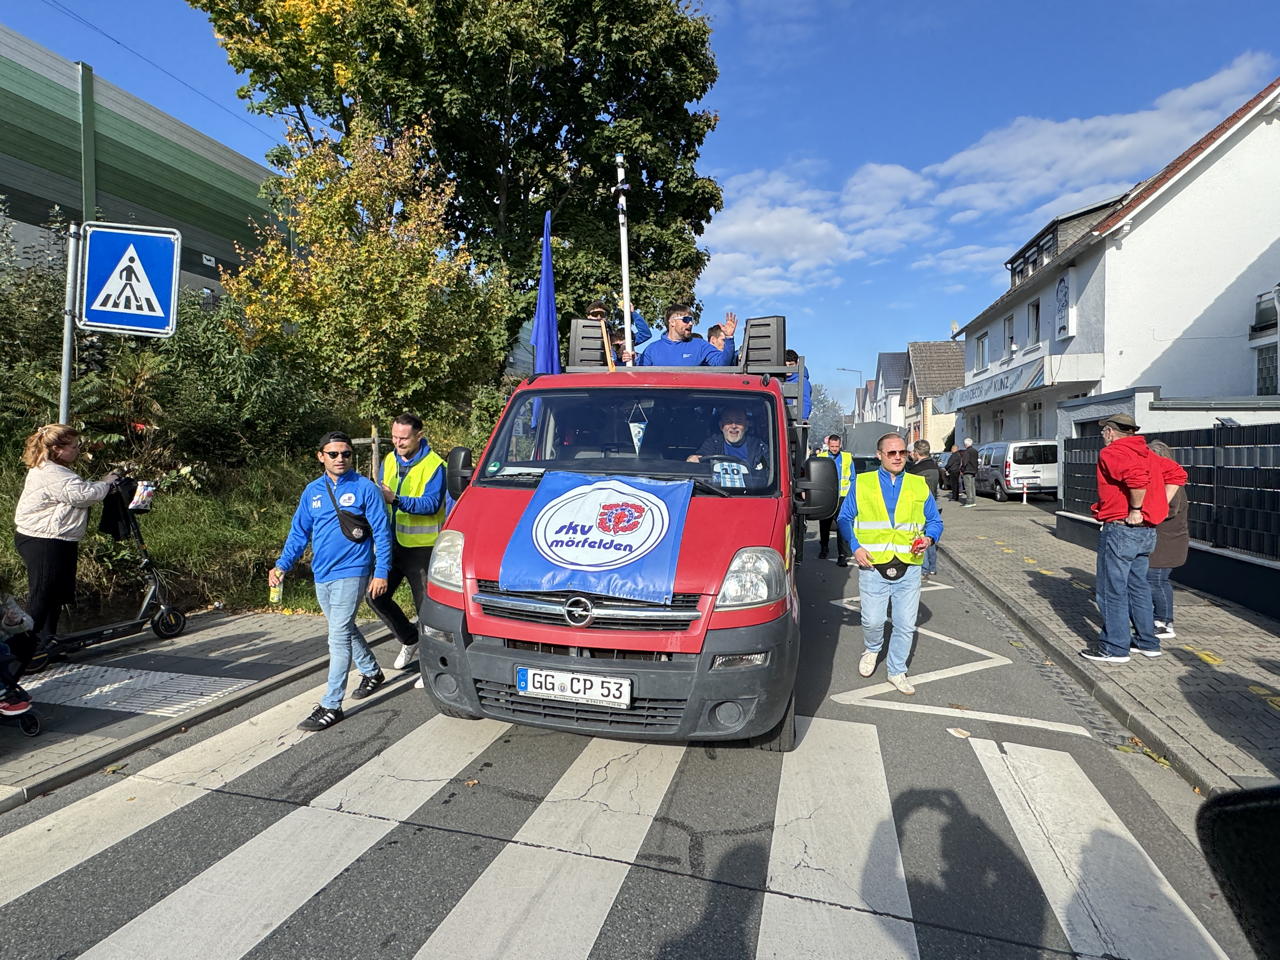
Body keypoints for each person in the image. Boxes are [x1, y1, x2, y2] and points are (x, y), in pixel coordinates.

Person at [271, 431, 393, 730]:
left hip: (353, 570)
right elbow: (299, 533)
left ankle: (331, 704)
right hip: (322, 572)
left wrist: (381, 571)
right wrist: (281, 565)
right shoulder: (312, 491)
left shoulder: (366, 489)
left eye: (346, 454)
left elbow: (382, 532)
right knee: (343, 627)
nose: (341, 459)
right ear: (321, 456)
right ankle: (373, 672)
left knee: (337, 636)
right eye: (334, 454)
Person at [837, 432, 943, 695]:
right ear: (879, 455)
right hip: (873, 565)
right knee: (873, 621)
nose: (897, 457)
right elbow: (844, 518)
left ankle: (897, 670)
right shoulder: (863, 483)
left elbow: (935, 522)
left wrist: (928, 539)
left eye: (902, 453)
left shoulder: (918, 485)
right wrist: (855, 546)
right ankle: (872, 649)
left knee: (905, 624)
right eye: (891, 453)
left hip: (909, 565)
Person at [13, 424, 119, 660]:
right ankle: (22, 653)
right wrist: (107, 483)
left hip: (58, 538)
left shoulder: (57, 470)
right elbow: (82, 495)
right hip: (43, 539)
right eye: (73, 446)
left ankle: (47, 642)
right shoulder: (51, 472)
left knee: (56, 594)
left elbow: (77, 489)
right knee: (42, 595)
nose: (78, 450)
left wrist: (101, 483)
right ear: (57, 449)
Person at [1082, 414, 1169, 664]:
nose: (1103, 437)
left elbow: (1136, 480)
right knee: (1138, 586)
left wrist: (1136, 509)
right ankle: (1147, 642)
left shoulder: (1113, 453)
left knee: (1112, 589)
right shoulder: (1147, 454)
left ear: (1110, 432)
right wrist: (1157, 507)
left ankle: (1115, 647)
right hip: (1147, 531)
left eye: (1103, 432)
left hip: (1122, 528)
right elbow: (1176, 475)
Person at [366, 414, 446, 674]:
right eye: (394, 436)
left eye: (403, 438)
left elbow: (432, 504)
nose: (397, 442)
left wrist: (396, 499)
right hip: (392, 544)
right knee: (375, 596)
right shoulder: (389, 459)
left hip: (422, 549)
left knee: (427, 612)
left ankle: (432, 667)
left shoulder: (436, 465)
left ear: (419, 436)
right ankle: (409, 639)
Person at [1145, 439, 1189, 644]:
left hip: (1168, 542)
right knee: (1153, 579)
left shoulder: (1172, 483)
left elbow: (1168, 510)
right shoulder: (1161, 480)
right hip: (1162, 541)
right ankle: (1157, 619)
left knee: (1157, 580)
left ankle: (1164, 622)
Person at [687, 406, 769, 485]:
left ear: (746, 426)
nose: (733, 426)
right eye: (728, 421)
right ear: (721, 426)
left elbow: (770, 473)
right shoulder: (713, 443)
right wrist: (693, 460)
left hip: (752, 494)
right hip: (717, 492)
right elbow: (698, 458)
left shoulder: (759, 447)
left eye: (739, 421)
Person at [635, 305, 736, 365]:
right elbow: (640, 378)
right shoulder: (652, 349)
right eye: (686, 320)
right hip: (661, 401)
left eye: (691, 320)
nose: (691, 323)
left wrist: (729, 338)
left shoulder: (700, 345)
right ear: (672, 322)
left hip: (694, 401)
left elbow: (722, 363)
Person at [816, 434, 854, 564]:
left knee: (842, 525)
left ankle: (842, 554)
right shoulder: (821, 457)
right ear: (828, 445)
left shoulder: (847, 458)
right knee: (825, 524)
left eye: (837, 446)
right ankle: (824, 548)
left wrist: (851, 496)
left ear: (840, 445)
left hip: (842, 497)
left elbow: (852, 478)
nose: (834, 449)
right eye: (832, 446)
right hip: (826, 497)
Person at [907, 440, 942, 576]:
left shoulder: (917, 470)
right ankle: (932, 566)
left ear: (916, 453)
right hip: (933, 501)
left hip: (920, 504)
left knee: (921, 535)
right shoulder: (934, 466)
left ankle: (924, 568)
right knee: (930, 536)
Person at [0, 590, 34, 716]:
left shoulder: (3, 598)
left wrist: (14, 622)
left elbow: (29, 623)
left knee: (27, 639)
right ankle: (2, 694)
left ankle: (8, 686)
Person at [784, 349, 813, 419]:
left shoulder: (802, 382)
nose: (788, 368)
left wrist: (801, 421)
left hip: (794, 422)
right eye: (785, 365)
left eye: (791, 365)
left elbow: (805, 403)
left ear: (797, 364)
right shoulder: (778, 380)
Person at [960, 437, 979, 506]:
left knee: (968, 487)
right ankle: (973, 500)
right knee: (972, 486)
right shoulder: (975, 451)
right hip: (973, 470)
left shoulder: (967, 452)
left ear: (966, 444)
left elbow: (965, 461)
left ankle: (969, 501)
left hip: (967, 470)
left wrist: (962, 469)